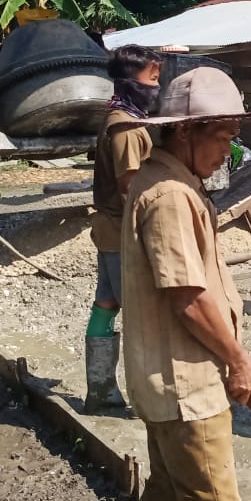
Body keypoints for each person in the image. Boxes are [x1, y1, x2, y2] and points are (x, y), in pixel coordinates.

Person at [116, 66, 251, 501]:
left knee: (167, 494)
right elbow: (186, 296)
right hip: (187, 383)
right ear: (184, 130)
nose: (228, 150)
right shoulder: (168, 196)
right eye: (223, 136)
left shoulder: (170, 181)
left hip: (165, 376)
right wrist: (238, 358)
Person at [85, 44, 161, 413]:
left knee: (107, 302)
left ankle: (100, 391)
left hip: (108, 228)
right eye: (152, 78)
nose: (156, 86)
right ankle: (144, 397)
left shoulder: (116, 115)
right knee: (140, 314)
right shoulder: (126, 127)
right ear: (132, 81)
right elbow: (130, 185)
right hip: (122, 231)